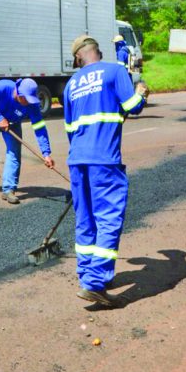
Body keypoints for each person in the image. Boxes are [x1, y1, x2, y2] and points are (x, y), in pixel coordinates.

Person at [64, 34, 147, 307]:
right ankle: (95, 283)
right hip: (104, 159)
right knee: (109, 218)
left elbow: (69, 129)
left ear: (79, 57)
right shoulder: (114, 71)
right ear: (96, 51)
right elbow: (132, 108)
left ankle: (87, 272)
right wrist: (142, 92)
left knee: (85, 219)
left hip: (77, 159)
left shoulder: (71, 84)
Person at [0, 78, 55, 204]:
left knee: (14, 154)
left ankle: (9, 189)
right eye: (26, 99)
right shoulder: (1, 87)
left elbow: (40, 128)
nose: (29, 102)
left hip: (13, 124)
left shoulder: (32, 104)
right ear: (18, 93)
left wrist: (46, 154)